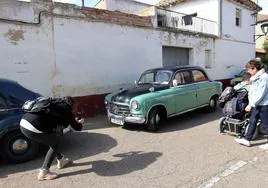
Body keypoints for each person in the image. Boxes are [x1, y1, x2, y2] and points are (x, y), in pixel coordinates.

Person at [20, 96, 84, 180]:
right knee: (55, 144)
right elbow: (77, 128)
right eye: (74, 107)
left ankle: (61, 160)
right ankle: (44, 172)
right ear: (72, 105)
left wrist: (70, 121)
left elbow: (61, 122)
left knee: (51, 139)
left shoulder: (53, 103)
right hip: (33, 127)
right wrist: (79, 122)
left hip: (23, 123)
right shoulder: (66, 109)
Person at [235, 59, 268, 146]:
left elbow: (261, 93)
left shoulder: (264, 77)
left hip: (264, 105)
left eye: (249, 69)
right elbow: (252, 87)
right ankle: (247, 140)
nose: (248, 72)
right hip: (257, 104)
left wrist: (251, 104)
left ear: (254, 68)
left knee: (266, 124)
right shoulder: (255, 77)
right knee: (252, 121)